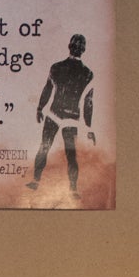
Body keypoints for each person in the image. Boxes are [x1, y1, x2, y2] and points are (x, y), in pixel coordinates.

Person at [26, 34, 95, 197]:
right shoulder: (88, 74)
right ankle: (73, 189)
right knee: (70, 154)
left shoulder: (57, 67)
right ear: (83, 50)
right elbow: (88, 103)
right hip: (71, 118)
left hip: (54, 114)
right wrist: (88, 127)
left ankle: (36, 181)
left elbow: (48, 89)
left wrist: (40, 108)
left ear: (69, 46)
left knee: (45, 147)